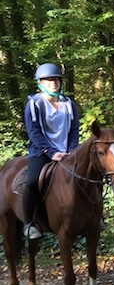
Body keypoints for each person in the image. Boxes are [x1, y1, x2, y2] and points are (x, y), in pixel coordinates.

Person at [23, 63, 80, 239]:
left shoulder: (68, 103)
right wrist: (52, 152)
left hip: (67, 152)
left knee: (90, 175)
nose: (53, 82)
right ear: (40, 83)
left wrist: (71, 150)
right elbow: (34, 132)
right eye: (48, 80)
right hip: (42, 152)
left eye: (56, 79)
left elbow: (73, 129)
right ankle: (29, 223)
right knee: (33, 181)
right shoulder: (34, 104)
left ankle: (96, 217)